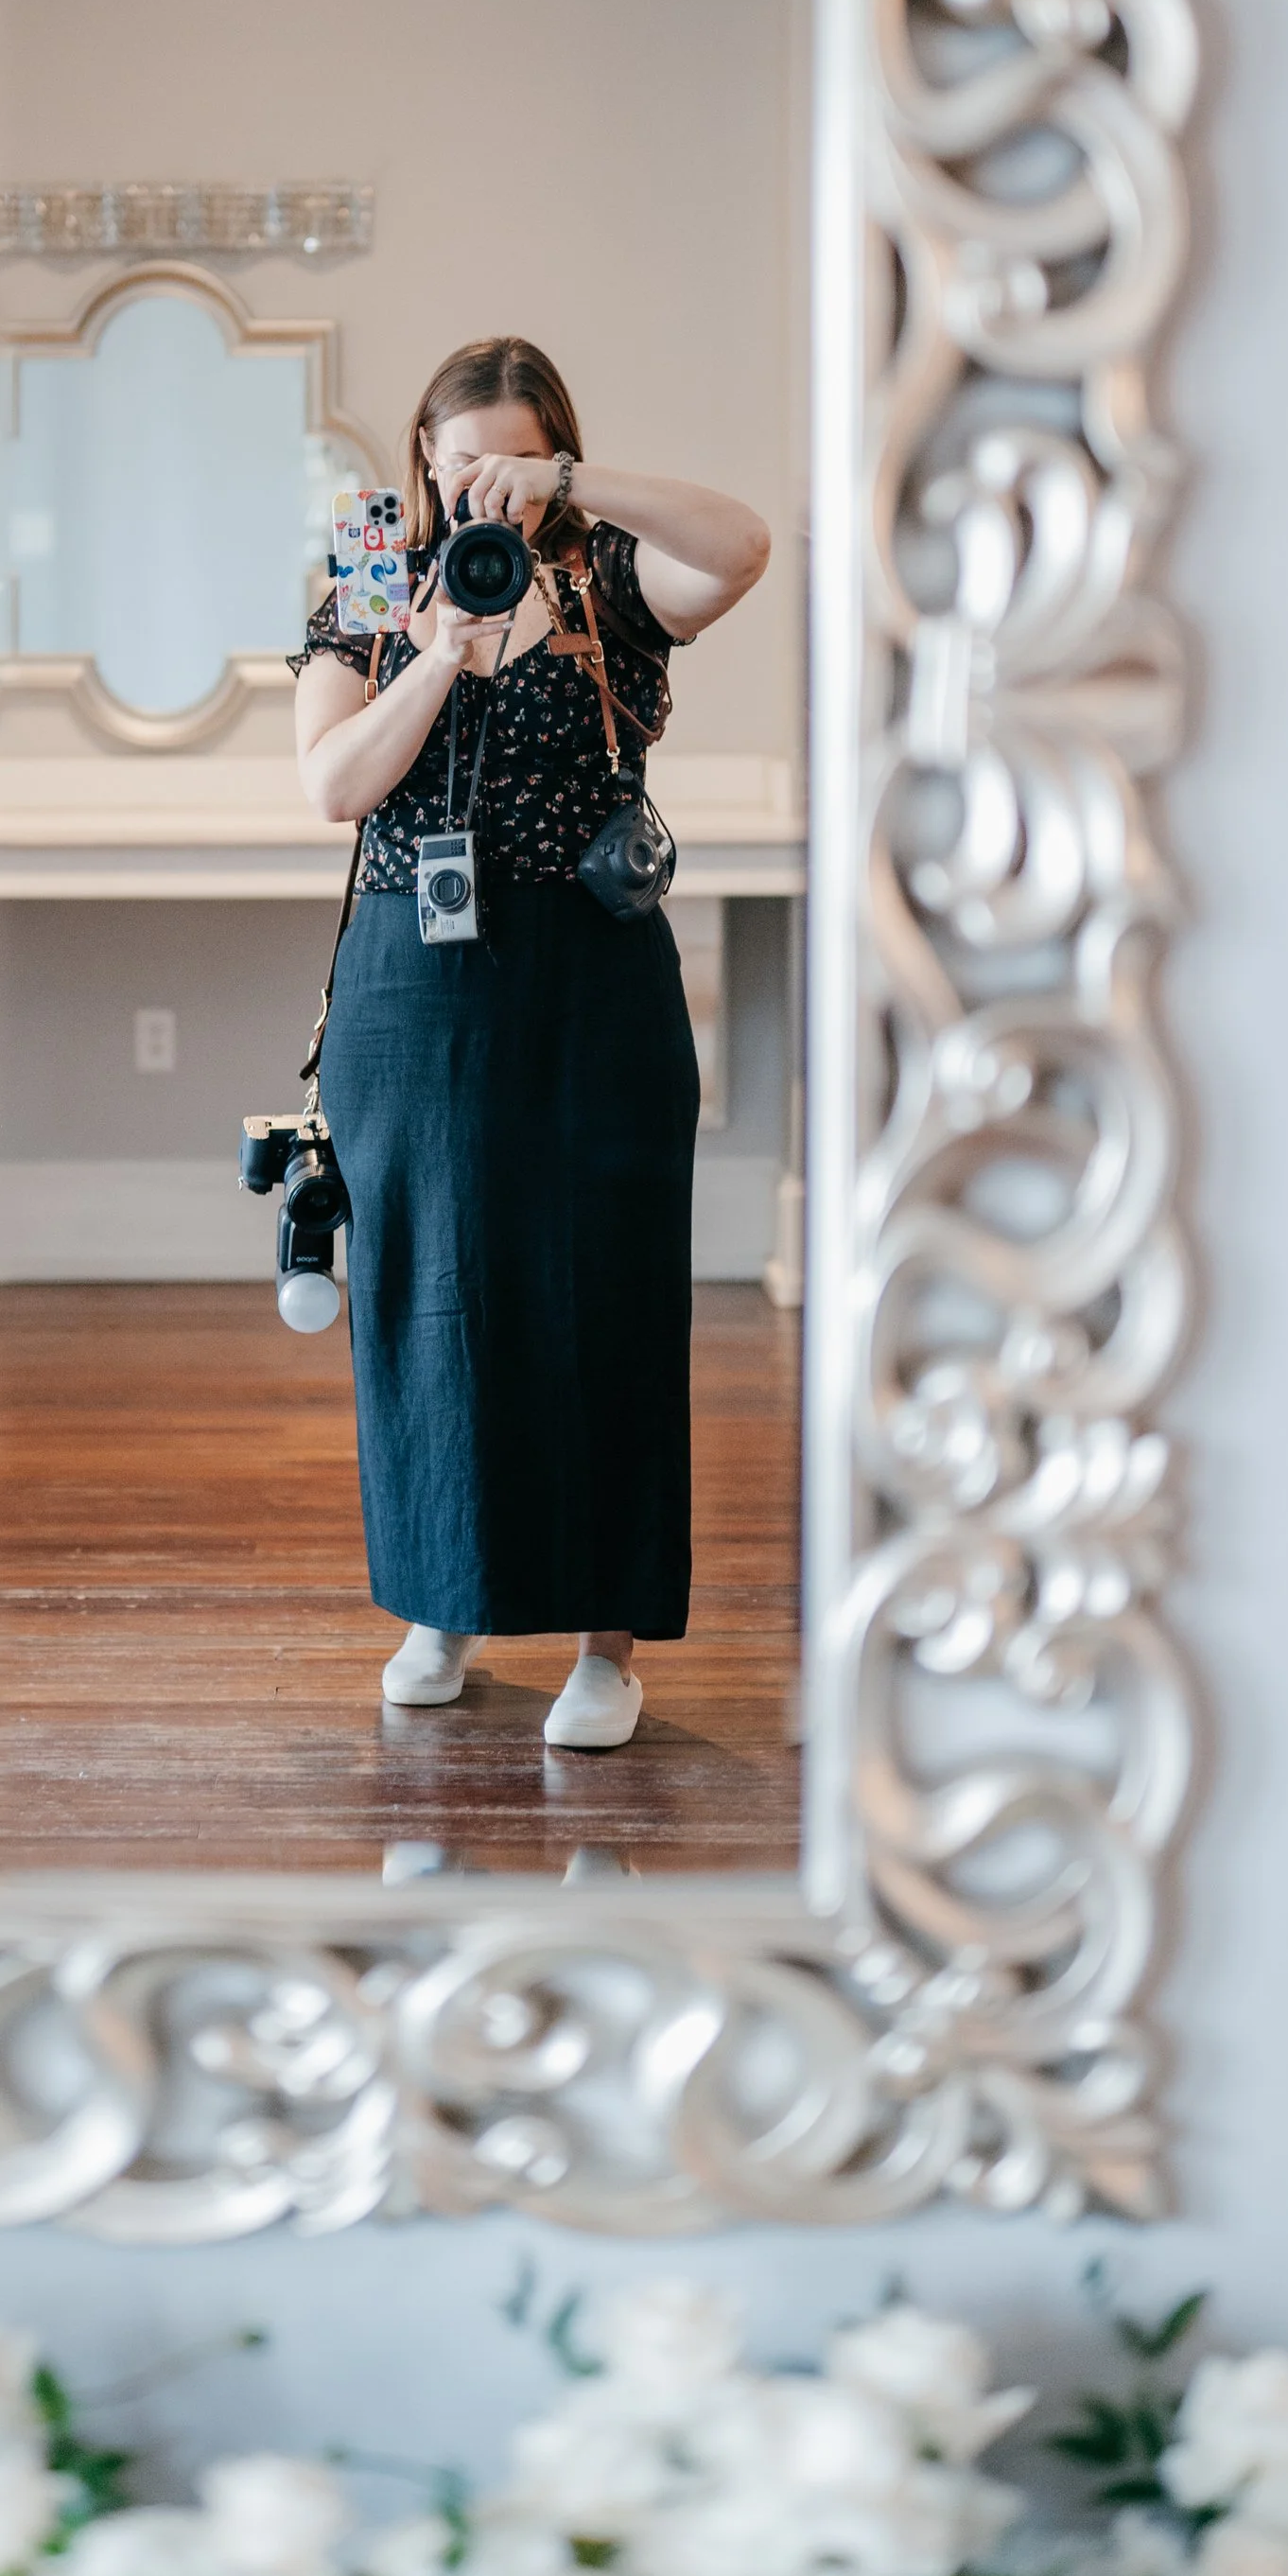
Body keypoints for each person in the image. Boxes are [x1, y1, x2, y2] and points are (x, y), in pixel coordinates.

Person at [289, 337, 772, 1752]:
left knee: (606, 1297)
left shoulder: (609, 572)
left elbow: (742, 547)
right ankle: (442, 1605)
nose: (480, 492)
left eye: (512, 462)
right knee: (426, 1301)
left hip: (590, 980)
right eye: (460, 466)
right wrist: (437, 655)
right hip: (411, 982)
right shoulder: (375, 568)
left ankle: (607, 1644)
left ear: (552, 455)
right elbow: (333, 785)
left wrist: (571, 491)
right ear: (421, 458)